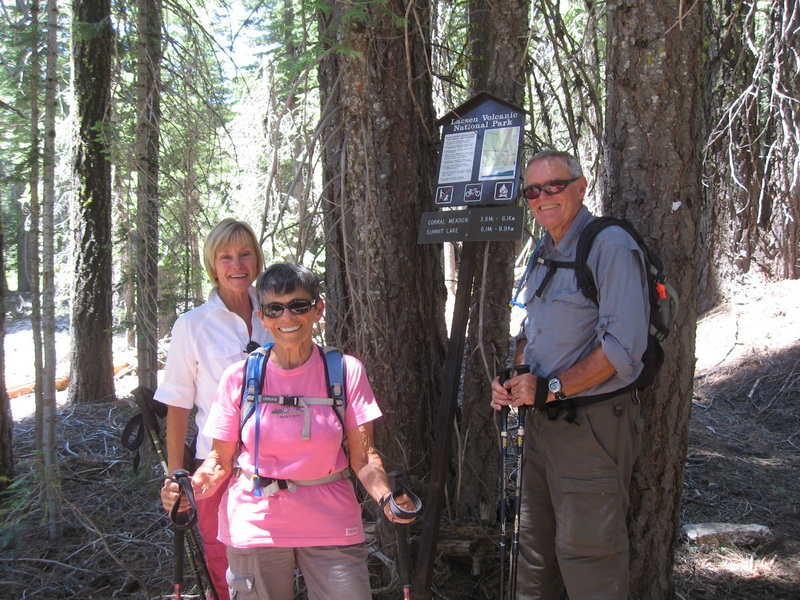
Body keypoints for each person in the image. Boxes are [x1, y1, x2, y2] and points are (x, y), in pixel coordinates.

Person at [161, 263, 416, 600]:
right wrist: (189, 488)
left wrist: (387, 497)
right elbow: (219, 463)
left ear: (317, 309)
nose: (287, 317)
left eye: (299, 305)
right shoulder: (239, 378)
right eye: (274, 308)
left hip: (331, 522)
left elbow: (365, 458)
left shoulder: (344, 371)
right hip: (255, 524)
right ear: (263, 317)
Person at [490, 150, 650, 599]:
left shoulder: (609, 245)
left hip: (592, 424)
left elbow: (623, 348)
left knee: (589, 553)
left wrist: (551, 389)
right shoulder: (545, 249)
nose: (543, 197)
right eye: (533, 191)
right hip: (542, 421)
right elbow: (531, 329)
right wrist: (515, 380)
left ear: (580, 186)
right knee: (533, 547)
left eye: (554, 185)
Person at [156, 218, 273, 600]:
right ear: (212, 264)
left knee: (272, 558)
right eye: (226, 256)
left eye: (244, 254)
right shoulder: (192, 325)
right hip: (215, 465)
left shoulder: (277, 313)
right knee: (223, 562)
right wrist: (177, 477)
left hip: (277, 461)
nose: (237, 264)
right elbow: (177, 405)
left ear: (256, 259)